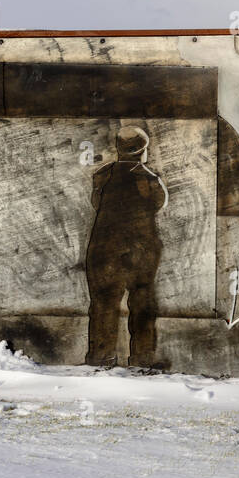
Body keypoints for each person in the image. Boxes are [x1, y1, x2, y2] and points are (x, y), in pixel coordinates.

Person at [85, 126, 168, 366]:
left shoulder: (101, 176)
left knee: (102, 305)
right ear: (143, 150)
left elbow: (95, 202)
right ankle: (142, 358)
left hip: (104, 250)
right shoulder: (150, 180)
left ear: (118, 149)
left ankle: (101, 357)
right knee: (142, 303)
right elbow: (157, 204)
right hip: (141, 250)